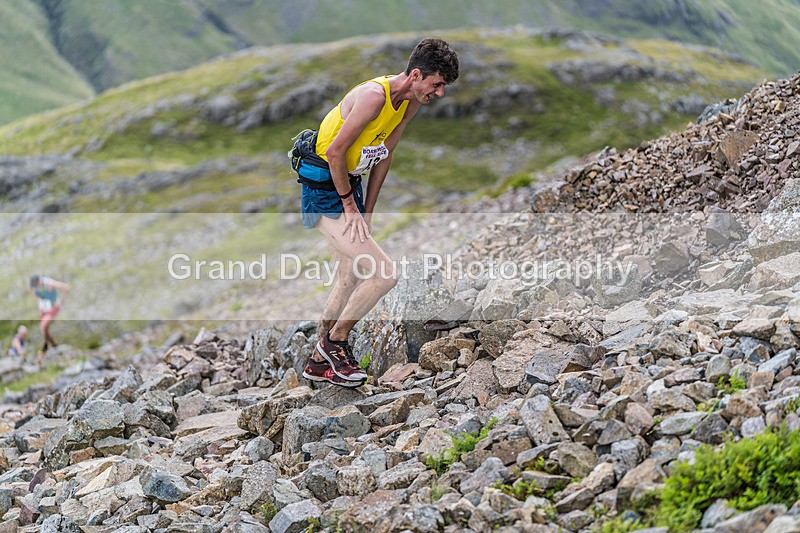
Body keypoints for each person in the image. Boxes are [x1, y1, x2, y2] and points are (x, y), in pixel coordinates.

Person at [291, 38, 459, 387]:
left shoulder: (408, 104)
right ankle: (334, 344)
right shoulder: (373, 97)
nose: (440, 93)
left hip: (348, 186)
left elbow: (385, 154)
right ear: (416, 74)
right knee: (384, 275)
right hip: (324, 191)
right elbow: (337, 153)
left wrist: (368, 209)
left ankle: (318, 362)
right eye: (437, 84)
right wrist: (350, 207)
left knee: (350, 277)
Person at [30, 275, 69, 356]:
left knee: (43, 327)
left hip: (53, 308)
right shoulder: (34, 288)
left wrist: (61, 302)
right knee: (44, 329)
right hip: (44, 310)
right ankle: (55, 347)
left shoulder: (49, 283)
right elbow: (38, 297)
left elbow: (66, 287)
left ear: (40, 281)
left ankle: (45, 348)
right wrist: (41, 307)